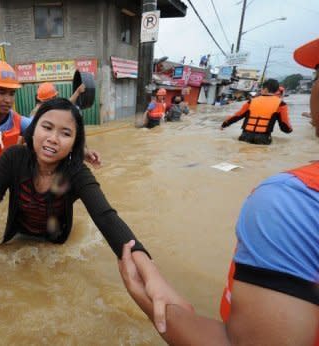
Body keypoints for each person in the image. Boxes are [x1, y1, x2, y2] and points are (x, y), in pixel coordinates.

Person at [0, 98, 193, 327]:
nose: (53, 138)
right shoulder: (13, 158)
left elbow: (107, 218)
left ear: (75, 143)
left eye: (65, 133)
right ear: (33, 129)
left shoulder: (76, 171)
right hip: (20, 238)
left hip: (55, 246)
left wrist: (150, 271)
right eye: (47, 128)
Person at [118, 37, 319, 344]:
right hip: (263, 143)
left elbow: (232, 118)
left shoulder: (291, 197)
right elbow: (288, 130)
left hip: (244, 140)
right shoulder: (291, 200)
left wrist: (152, 299)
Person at [221, 78, 292, 145]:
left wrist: (224, 124)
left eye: (262, 88)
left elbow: (237, 116)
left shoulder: (252, 101)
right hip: (263, 138)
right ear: (276, 90)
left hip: (245, 136)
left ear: (265, 89)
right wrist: (289, 130)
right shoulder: (281, 104)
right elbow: (284, 125)